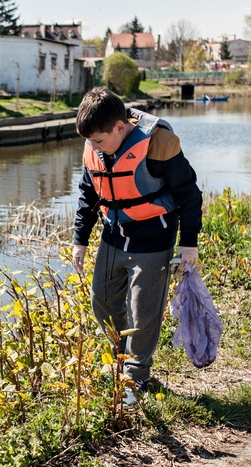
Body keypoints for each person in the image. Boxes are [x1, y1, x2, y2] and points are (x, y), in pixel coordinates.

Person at [71, 87, 203, 402]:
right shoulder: (95, 147)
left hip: (154, 240)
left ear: (120, 127)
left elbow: (189, 195)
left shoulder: (159, 144)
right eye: (89, 142)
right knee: (101, 300)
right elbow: (88, 194)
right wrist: (80, 239)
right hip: (113, 236)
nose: (94, 147)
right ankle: (121, 357)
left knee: (143, 312)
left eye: (99, 140)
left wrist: (189, 243)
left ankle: (136, 375)